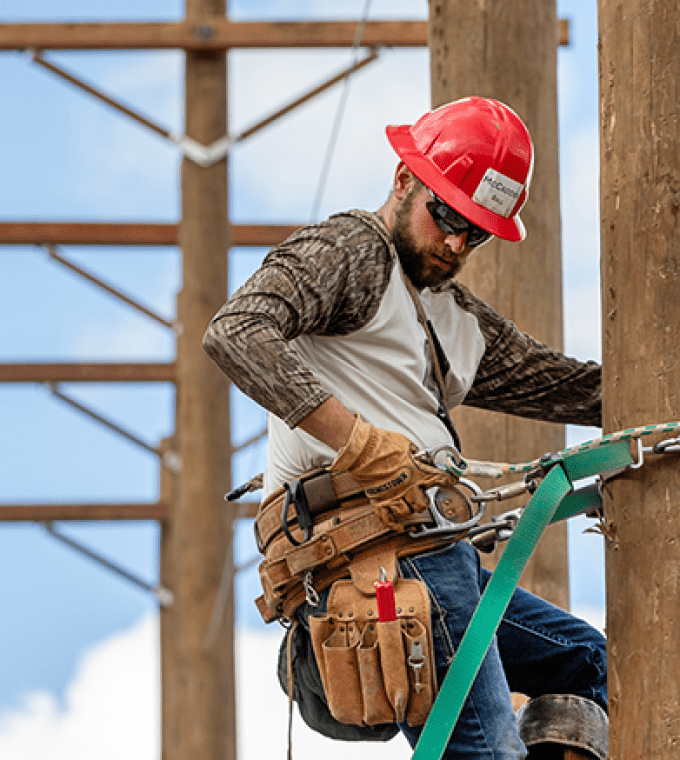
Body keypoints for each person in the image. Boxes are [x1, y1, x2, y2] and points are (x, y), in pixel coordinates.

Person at [204, 96, 608, 760]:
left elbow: (567, 385)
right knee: (485, 753)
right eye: (445, 215)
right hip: (383, 553)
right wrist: (358, 442)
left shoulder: (451, 319)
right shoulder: (353, 251)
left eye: (474, 231)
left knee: (583, 665)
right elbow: (237, 332)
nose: (455, 243)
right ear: (403, 181)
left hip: (439, 550)